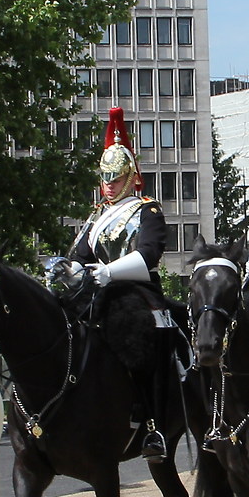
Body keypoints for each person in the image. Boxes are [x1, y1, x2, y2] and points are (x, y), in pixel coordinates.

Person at [64, 106, 179, 463]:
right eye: (105, 176)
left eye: (116, 176)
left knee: (137, 335)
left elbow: (148, 256)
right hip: (96, 292)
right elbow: (79, 256)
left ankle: (152, 422)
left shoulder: (147, 210)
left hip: (135, 292)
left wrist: (110, 273)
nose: (109, 183)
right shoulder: (96, 216)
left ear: (130, 176)